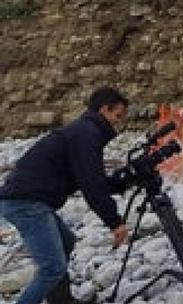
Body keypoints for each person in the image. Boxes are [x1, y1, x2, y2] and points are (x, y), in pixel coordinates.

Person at [0, 87, 132, 304]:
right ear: (104, 110)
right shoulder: (86, 134)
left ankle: (61, 301)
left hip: (31, 199)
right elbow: (91, 184)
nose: (118, 123)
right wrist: (114, 222)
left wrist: (123, 181)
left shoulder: (84, 131)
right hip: (26, 203)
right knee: (51, 268)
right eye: (117, 116)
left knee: (66, 241)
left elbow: (92, 178)